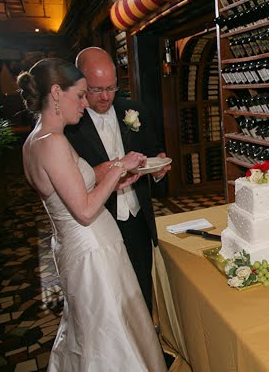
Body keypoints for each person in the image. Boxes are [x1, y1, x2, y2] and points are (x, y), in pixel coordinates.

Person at [18, 58, 166, 371]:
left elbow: (75, 189)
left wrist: (116, 176)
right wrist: (119, 168)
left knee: (93, 328)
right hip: (92, 251)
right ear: (57, 92)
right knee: (107, 335)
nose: (86, 103)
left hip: (81, 245)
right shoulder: (54, 142)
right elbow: (85, 210)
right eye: (81, 94)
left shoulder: (34, 141)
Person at [65, 47, 171, 314]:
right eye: (96, 89)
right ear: (80, 82)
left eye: (111, 88)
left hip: (136, 218)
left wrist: (157, 167)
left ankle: (148, 349)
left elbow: (153, 150)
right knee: (108, 298)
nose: (105, 97)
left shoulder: (133, 110)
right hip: (98, 223)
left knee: (142, 288)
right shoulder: (69, 124)